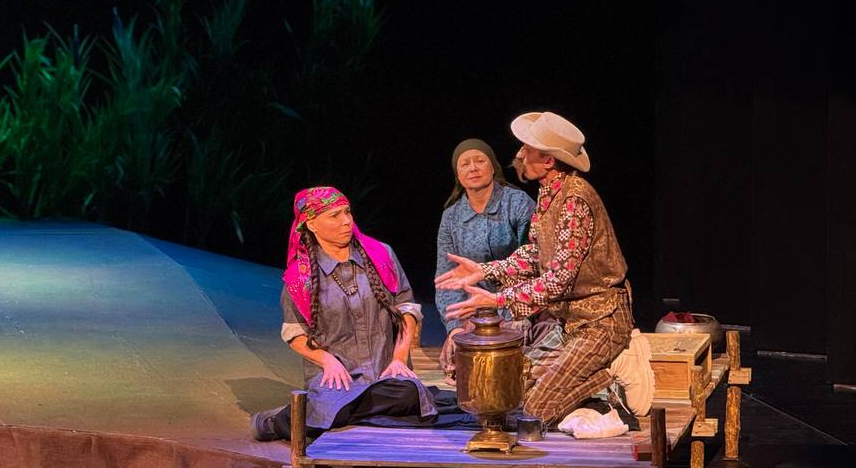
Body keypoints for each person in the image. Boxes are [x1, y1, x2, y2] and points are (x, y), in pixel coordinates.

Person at [435, 111, 640, 430]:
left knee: (533, 412)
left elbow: (558, 280)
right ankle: (595, 377)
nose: (520, 154)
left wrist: (498, 300)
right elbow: (535, 254)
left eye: (527, 148)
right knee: (515, 392)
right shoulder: (549, 193)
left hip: (601, 321)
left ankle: (610, 372)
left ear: (547, 161)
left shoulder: (574, 199)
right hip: (570, 322)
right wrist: (485, 270)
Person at [251, 186, 437, 441]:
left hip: (385, 374)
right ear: (312, 225)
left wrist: (399, 358)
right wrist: (327, 360)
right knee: (333, 408)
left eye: (347, 212)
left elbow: (407, 307)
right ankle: (283, 420)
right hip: (338, 379)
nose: (347, 221)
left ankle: (311, 414)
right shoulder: (300, 277)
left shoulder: (381, 254)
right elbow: (295, 333)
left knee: (409, 396)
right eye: (334, 215)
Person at [434, 138, 535, 376]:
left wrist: (507, 311)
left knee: (505, 368)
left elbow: (534, 262)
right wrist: (455, 327)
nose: (473, 168)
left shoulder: (517, 203)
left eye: (479, 161)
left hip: (517, 307)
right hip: (475, 311)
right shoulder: (451, 217)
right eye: (465, 164)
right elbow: (446, 278)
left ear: (493, 167)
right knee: (463, 364)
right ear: (457, 174)